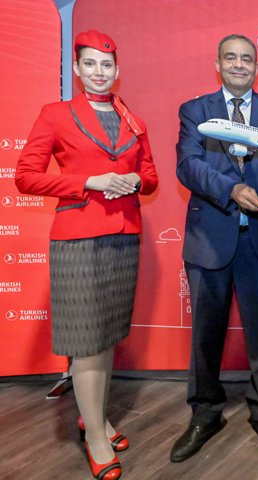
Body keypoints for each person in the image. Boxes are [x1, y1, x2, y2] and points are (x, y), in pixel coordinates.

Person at [15, 30, 158, 480]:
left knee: (107, 335)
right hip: (78, 238)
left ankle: (92, 417)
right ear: (76, 69)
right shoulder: (56, 114)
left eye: (107, 65)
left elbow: (151, 174)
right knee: (87, 342)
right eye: (90, 64)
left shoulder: (132, 118)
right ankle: (96, 435)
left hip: (124, 236)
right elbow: (25, 176)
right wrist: (87, 182)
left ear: (118, 70)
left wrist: (136, 181)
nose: (100, 72)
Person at [170, 34, 258, 463]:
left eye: (247, 59)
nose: (239, 65)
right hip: (210, 239)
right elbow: (189, 165)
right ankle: (205, 413)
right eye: (231, 58)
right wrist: (232, 188)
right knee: (206, 335)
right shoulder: (195, 110)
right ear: (218, 64)